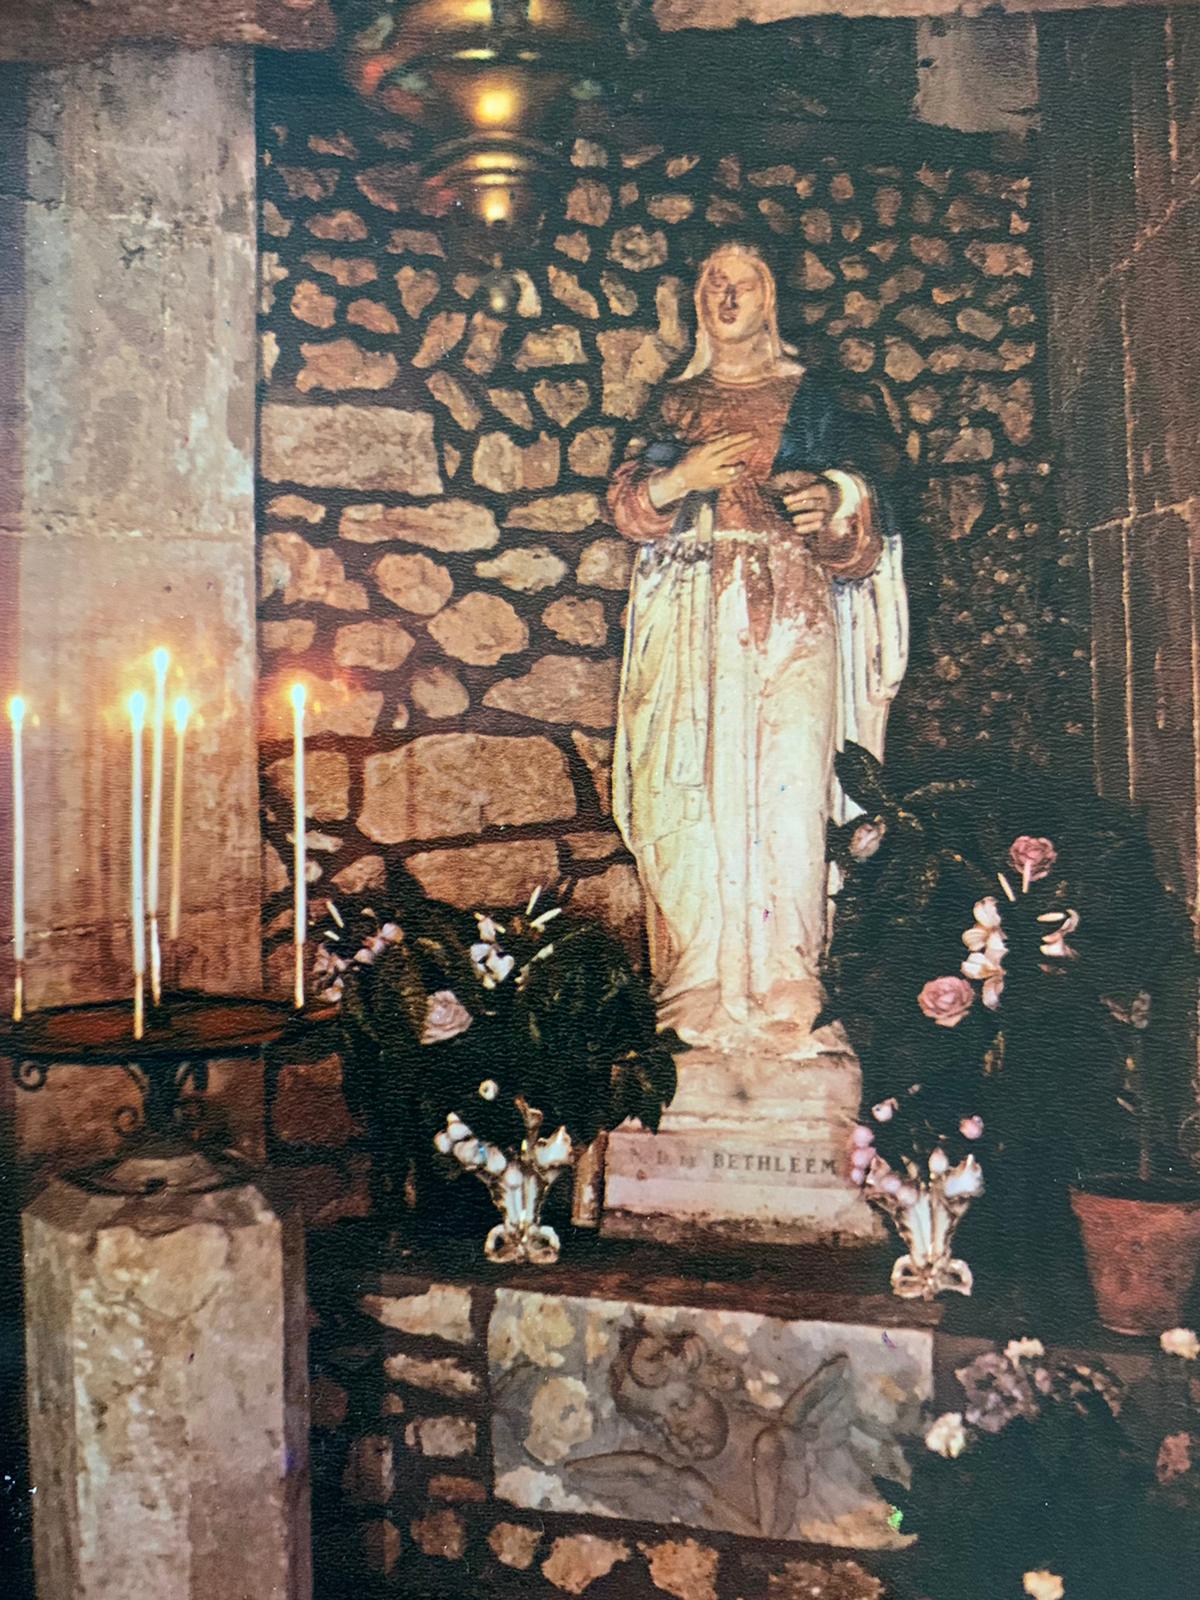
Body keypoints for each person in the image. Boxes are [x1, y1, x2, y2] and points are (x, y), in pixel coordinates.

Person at [607, 242, 908, 1052]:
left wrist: (834, 499)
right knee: (689, 784)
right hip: (695, 614)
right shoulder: (674, 404)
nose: (726, 297)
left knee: (792, 782)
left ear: (769, 298)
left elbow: (868, 524)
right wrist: (682, 478)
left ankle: (788, 972)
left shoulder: (816, 399)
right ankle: (703, 976)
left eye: (742, 284)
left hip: (794, 610)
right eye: (712, 282)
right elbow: (630, 506)